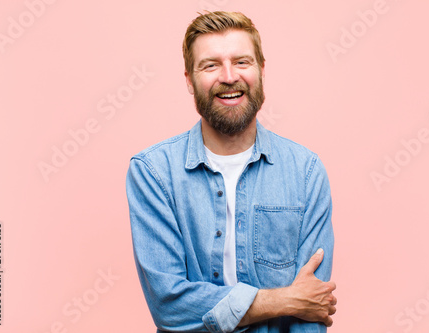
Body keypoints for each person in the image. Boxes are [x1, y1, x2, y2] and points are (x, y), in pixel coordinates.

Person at [126, 11, 337, 332]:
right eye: (210, 65)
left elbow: (311, 309)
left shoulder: (305, 171)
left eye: (242, 62)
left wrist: (297, 302)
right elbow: (169, 306)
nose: (228, 76)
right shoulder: (153, 173)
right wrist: (282, 300)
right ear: (188, 79)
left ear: (262, 71)